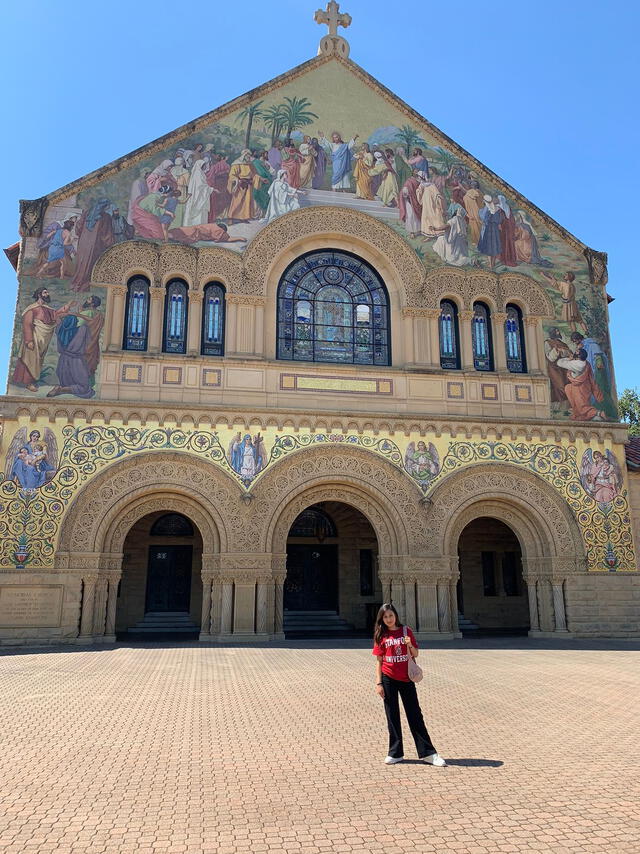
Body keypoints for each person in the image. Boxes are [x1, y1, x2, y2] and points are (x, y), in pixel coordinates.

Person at [372, 603, 446, 766]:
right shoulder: (381, 635)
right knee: (392, 716)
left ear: (396, 616)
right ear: (381, 619)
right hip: (388, 678)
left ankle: (428, 753)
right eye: (385, 617)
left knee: (414, 714)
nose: (389, 619)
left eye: (391, 616)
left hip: (406, 678)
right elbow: (379, 662)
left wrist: (409, 644)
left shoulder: (406, 631)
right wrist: (379, 683)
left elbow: (416, 654)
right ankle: (395, 752)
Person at [11, 287, 70, 392]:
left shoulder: (47, 309)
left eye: (47, 292)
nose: (47, 294)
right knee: (30, 360)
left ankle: (32, 381)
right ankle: (28, 383)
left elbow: (56, 315)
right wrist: (29, 340)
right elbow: (27, 324)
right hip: (33, 338)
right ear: (39, 294)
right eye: (45, 292)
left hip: (42, 340)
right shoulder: (32, 309)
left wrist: (67, 306)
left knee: (37, 361)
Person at [71, 199, 115, 292]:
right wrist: (110, 244)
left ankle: (76, 282)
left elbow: (78, 227)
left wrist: (82, 234)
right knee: (90, 263)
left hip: (83, 242)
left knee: (81, 262)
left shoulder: (87, 213)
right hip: (95, 244)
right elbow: (106, 233)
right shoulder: (105, 217)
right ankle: (82, 285)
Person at [226, 150, 258, 222]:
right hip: (240, 185)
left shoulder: (250, 164)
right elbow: (232, 175)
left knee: (246, 202)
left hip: (248, 184)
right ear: (243, 156)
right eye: (247, 155)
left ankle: (244, 217)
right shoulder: (236, 164)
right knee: (237, 201)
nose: (249, 157)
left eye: (250, 156)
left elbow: (255, 174)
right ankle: (230, 217)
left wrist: (261, 179)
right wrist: (238, 180)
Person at [416, 172, 447, 237]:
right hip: (426, 205)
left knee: (435, 217)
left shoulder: (432, 185)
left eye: (419, 176)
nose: (418, 178)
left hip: (433, 205)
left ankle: (438, 232)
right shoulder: (421, 185)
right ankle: (429, 234)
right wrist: (419, 190)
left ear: (422, 177)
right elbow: (419, 195)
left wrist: (440, 205)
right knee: (426, 218)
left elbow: (437, 195)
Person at [477, 195, 504, 269]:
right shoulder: (498, 209)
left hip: (488, 229)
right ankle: (493, 263)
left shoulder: (486, 209)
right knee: (494, 246)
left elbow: (484, 218)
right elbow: (499, 220)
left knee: (489, 246)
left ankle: (490, 264)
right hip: (495, 230)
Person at [398, 173, 422, 238]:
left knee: (416, 216)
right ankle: (412, 232)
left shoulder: (419, 181)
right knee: (410, 216)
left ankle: (418, 230)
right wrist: (408, 196)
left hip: (416, 201)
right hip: (409, 202)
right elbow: (405, 192)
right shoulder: (408, 181)